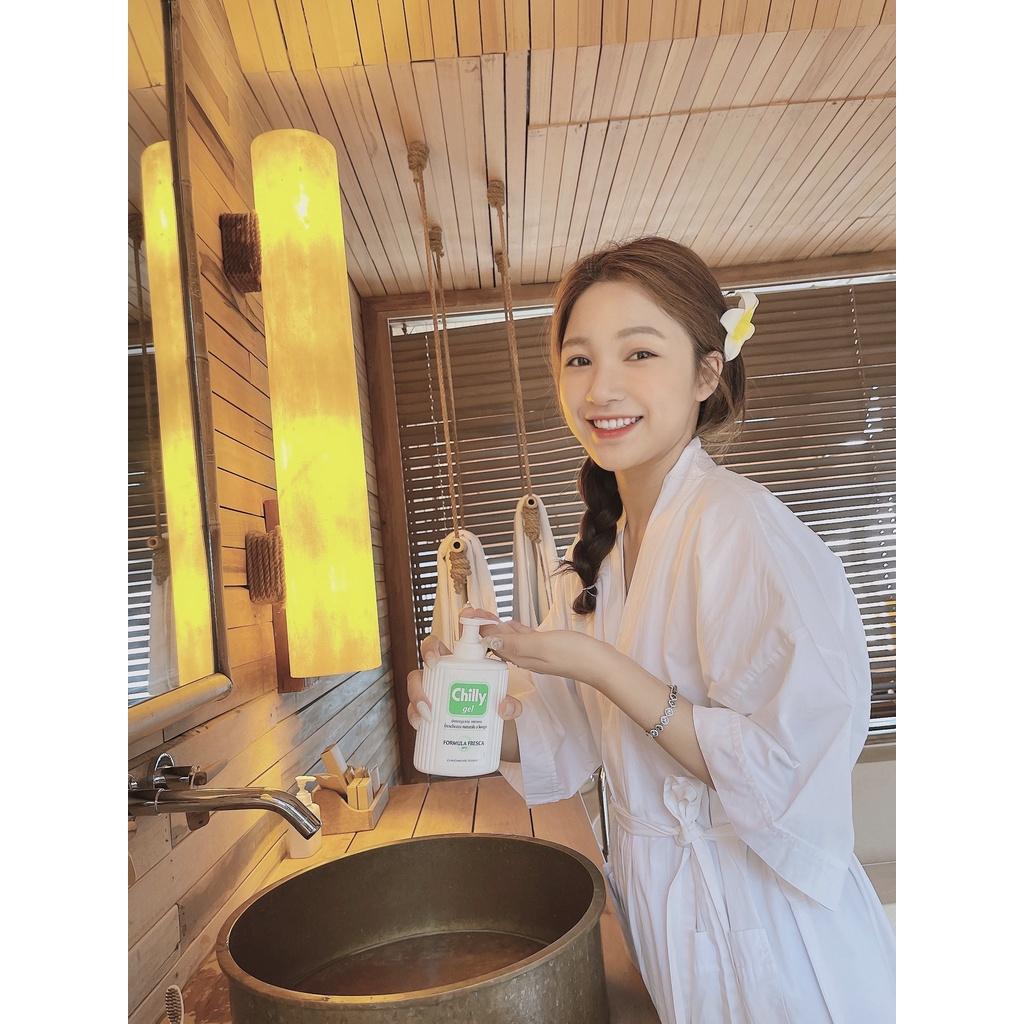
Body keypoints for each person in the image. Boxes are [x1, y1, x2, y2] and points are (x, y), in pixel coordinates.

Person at [407, 237, 896, 1023]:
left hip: (773, 936)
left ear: (706, 373)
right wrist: (458, 708)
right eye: (579, 359)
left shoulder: (739, 528)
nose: (602, 387)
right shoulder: (596, 564)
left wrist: (598, 665)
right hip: (669, 916)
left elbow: (786, 766)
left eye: (638, 353)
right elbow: (556, 738)